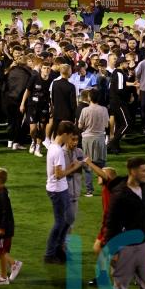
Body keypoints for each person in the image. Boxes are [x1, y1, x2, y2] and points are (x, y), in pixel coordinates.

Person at [106, 156, 145, 289]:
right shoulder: (120, 194)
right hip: (125, 247)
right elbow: (112, 223)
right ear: (133, 171)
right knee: (121, 286)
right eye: (143, 170)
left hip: (144, 244)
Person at [44, 121, 83, 264]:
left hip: (61, 188)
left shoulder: (53, 147)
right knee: (60, 223)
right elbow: (59, 174)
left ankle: (59, 249)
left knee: (69, 218)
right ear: (65, 134)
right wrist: (74, 167)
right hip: (57, 190)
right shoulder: (58, 150)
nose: (71, 139)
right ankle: (50, 254)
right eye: (70, 136)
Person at [0, 167, 23, 285]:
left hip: (2, 230)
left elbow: (5, 213)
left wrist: (2, 228)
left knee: (0, 252)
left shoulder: (2, 194)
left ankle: (3, 278)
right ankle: (14, 264)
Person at [77, 88, 109, 197]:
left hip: (88, 139)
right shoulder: (104, 110)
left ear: (89, 98)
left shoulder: (85, 110)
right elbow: (106, 124)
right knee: (102, 164)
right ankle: (107, 186)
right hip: (100, 138)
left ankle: (89, 190)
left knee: (87, 165)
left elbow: (80, 125)